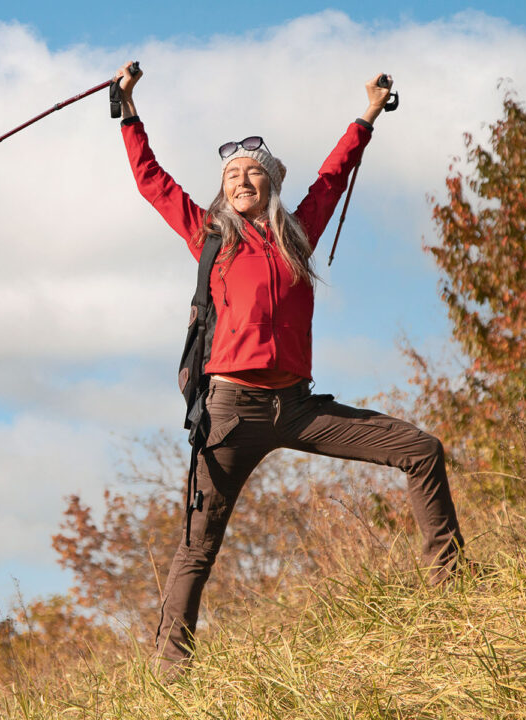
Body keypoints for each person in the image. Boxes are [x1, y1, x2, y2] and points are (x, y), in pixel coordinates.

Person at [112, 61, 463, 677]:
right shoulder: (209, 235)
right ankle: (170, 673)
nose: (242, 179)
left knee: (421, 449)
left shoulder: (297, 234)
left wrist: (369, 113)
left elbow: (333, 176)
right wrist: (128, 109)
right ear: (224, 191)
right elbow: (152, 181)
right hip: (231, 413)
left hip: (299, 407)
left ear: (271, 183)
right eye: (231, 174)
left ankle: (455, 592)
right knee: (198, 546)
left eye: (253, 172)